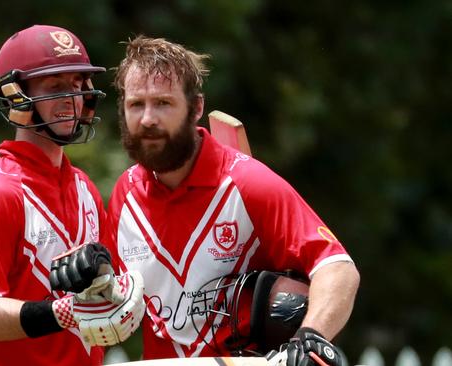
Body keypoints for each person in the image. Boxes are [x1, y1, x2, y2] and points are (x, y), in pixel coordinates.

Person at [103, 36, 360, 364]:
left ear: (196, 107)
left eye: (163, 103)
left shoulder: (248, 184)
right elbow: (117, 301)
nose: (148, 119)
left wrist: (310, 336)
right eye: (136, 105)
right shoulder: (125, 193)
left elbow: (337, 268)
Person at [0, 25, 144, 366]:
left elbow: (107, 290)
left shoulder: (84, 187)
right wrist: (63, 313)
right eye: (54, 86)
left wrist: (115, 290)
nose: (71, 99)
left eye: (76, 84)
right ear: (16, 96)